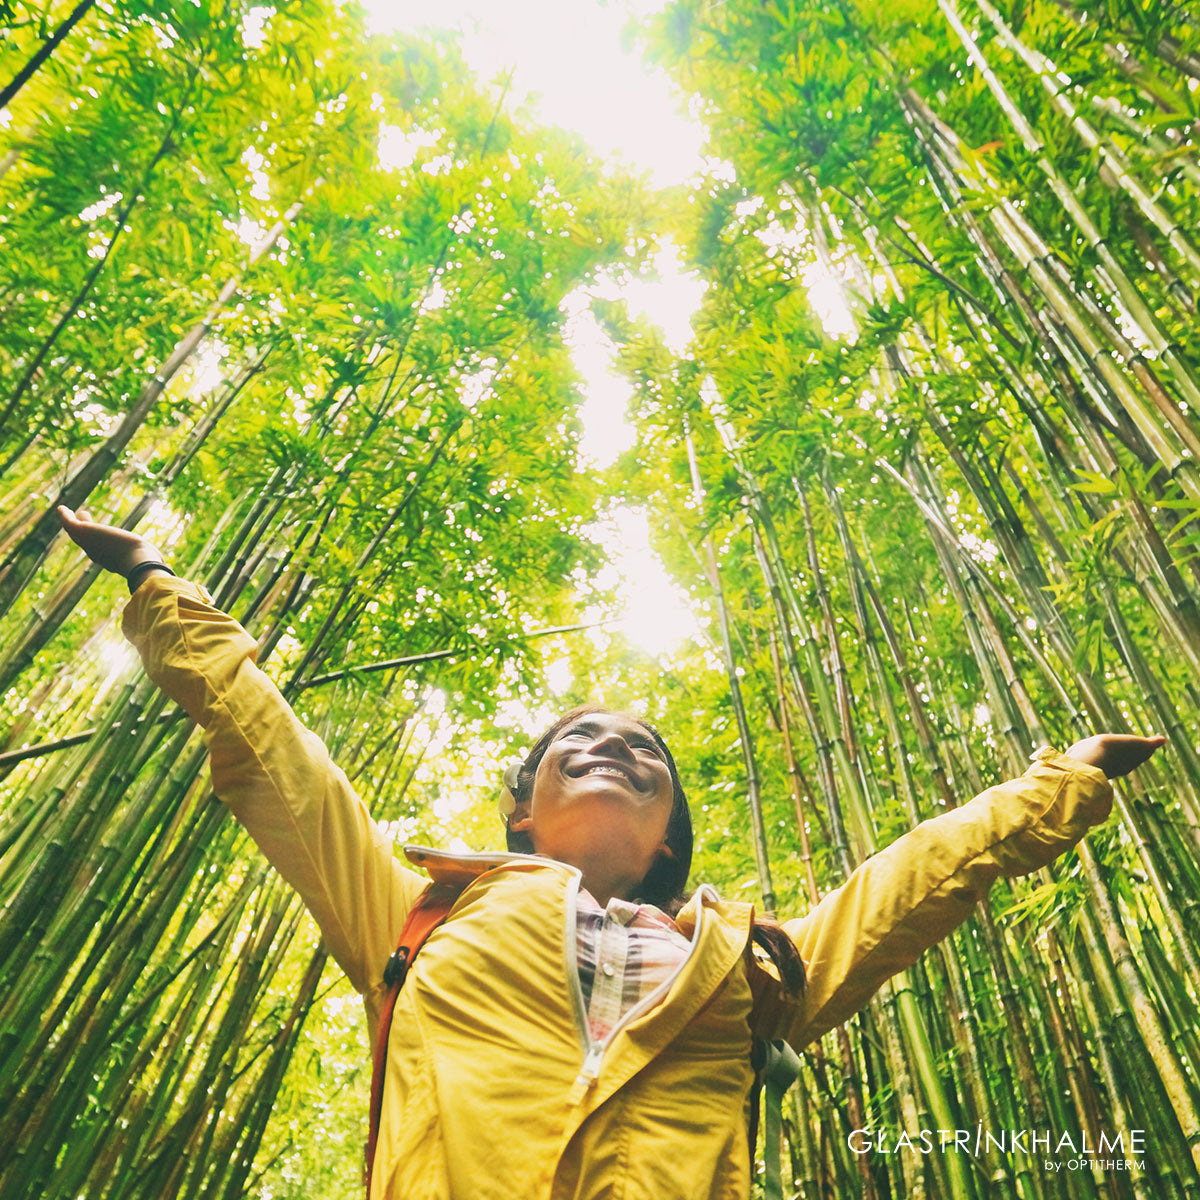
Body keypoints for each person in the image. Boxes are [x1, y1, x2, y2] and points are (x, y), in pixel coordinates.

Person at [57, 504, 1165, 1200]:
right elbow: (271, 748)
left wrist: (1059, 783)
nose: (610, 748)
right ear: (521, 812)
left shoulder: (758, 965)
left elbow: (914, 876)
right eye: (573, 742)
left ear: (671, 829)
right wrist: (159, 584)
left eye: (643, 749)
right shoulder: (412, 910)